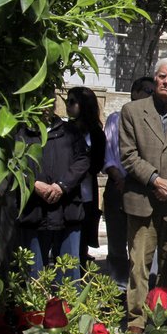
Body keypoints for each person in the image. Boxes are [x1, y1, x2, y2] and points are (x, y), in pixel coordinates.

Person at [119, 57, 167, 333]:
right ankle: (136, 319)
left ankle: (164, 315)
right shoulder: (132, 111)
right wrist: (155, 180)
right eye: (162, 76)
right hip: (142, 199)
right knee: (138, 263)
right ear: (154, 77)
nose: (166, 82)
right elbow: (128, 155)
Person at [16, 108, 90, 282]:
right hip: (34, 211)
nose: (44, 108)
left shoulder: (70, 131)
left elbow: (83, 160)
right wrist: (33, 184)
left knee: (69, 277)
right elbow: (12, 165)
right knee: (34, 276)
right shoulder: (20, 133)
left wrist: (62, 186)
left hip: (67, 210)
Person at [102, 76, 153, 287]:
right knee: (116, 240)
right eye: (148, 91)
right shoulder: (116, 119)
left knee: (141, 242)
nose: (151, 95)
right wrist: (120, 179)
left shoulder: (152, 122)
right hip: (118, 187)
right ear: (135, 93)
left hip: (142, 187)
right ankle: (118, 285)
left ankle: (141, 286)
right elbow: (109, 156)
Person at [66, 86, 106, 266]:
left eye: (72, 102)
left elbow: (97, 164)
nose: (68, 106)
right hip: (64, 193)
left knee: (81, 244)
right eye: (67, 101)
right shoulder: (65, 129)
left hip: (85, 195)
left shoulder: (96, 133)